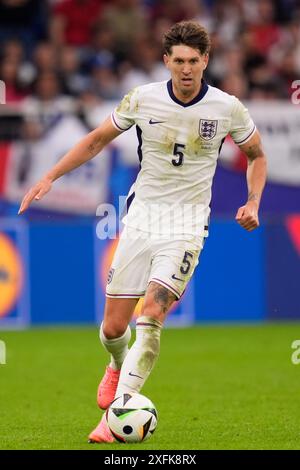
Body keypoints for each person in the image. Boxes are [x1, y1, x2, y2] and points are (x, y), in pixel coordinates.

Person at [18, 21, 267, 443]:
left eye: (194, 61)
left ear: (206, 61)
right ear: (166, 61)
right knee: (115, 329)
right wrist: (50, 177)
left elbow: (256, 156)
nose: (186, 70)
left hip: (187, 226)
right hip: (141, 219)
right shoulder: (142, 99)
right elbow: (97, 140)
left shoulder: (227, 108)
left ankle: (116, 416)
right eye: (179, 61)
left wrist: (253, 201)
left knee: (151, 316)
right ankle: (116, 366)